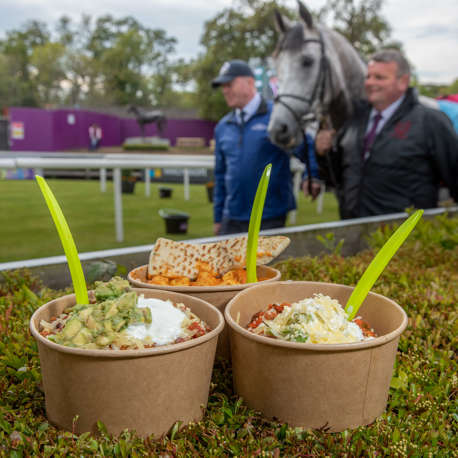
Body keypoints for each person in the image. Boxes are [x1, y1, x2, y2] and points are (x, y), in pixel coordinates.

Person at [304, 49, 458, 219]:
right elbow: (336, 179)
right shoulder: (354, 120)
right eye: (368, 76)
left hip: (405, 237)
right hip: (352, 231)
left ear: (403, 82)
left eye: (379, 77)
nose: (370, 83)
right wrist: (323, 154)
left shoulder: (430, 122)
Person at [211, 59, 299, 235]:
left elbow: (303, 147)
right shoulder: (223, 126)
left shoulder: (277, 116)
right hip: (232, 218)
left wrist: (314, 175)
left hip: (269, 217)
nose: (225, 90)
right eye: (223, 86)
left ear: (250, 82)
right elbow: (220, 176)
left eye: (229, 84)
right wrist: (218, 217)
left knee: (263, 264)